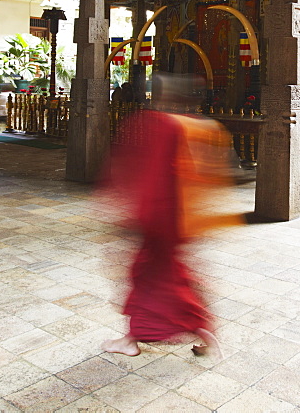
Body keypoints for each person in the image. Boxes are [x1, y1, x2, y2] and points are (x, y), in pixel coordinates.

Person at [101, 74, 243, 358]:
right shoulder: (202, 126)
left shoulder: (160, 124)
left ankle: (133, 338)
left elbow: (149, 174)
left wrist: (132, 211)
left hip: (160, 215)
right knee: (173, 277)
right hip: (183, 219)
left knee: (148, 278)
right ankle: (202, 328)